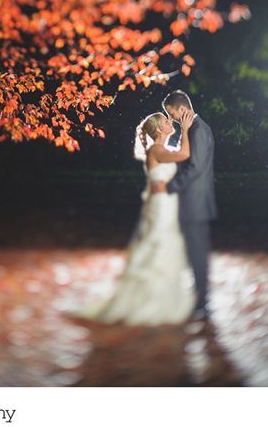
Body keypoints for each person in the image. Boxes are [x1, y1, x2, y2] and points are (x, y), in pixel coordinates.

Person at [75, 110, 197, 325]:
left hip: (167, 202)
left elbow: (177, 153)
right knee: (158, 243)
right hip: (161, 205)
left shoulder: (162, 149)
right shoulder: (156, 150)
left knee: (166, 244)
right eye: (167, 121)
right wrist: (186, 130)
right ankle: (149, 301)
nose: (172, 122)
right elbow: (184, 154)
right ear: (160, 129)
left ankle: (161, 297)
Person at [151, 90, 217, 320]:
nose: (172, 118)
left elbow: (195, 168)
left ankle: (203, 303)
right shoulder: (197, 129)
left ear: (182, 109)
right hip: (195, 202)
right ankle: (200, 297)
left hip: (194, 202)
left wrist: (169, 187)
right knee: (195, 252)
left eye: (172, 113)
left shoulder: (198, 130)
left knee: (197, 253)